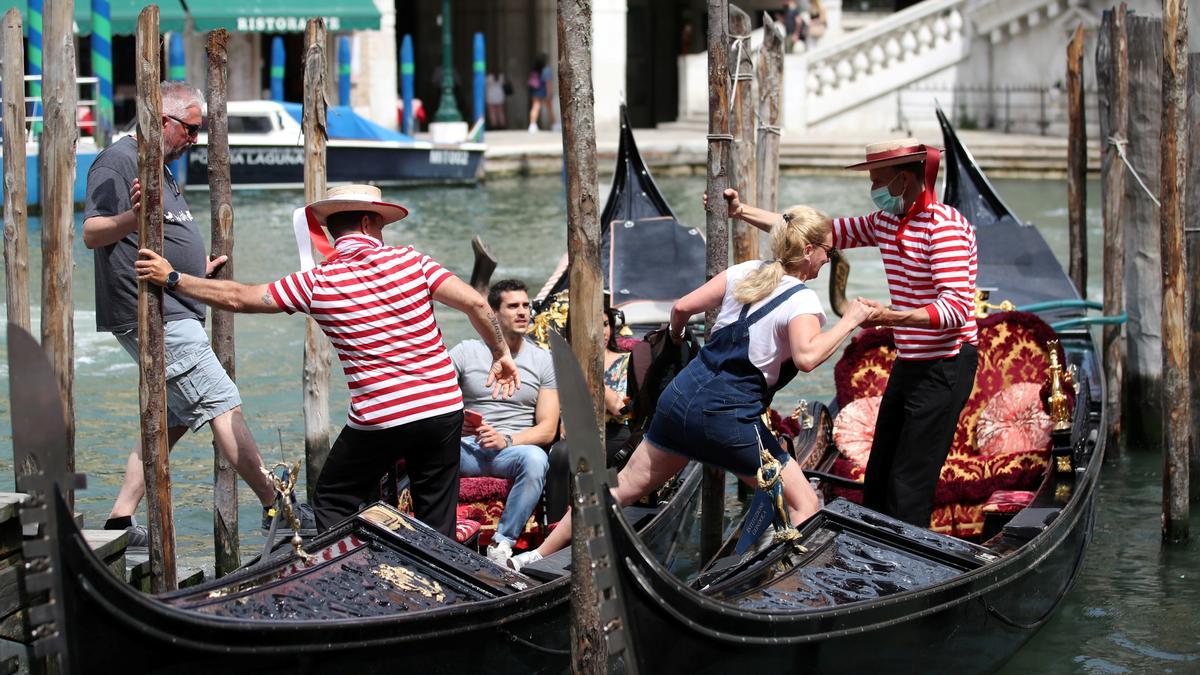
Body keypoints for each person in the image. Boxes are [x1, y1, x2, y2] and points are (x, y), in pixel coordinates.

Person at [133, 184, 520, 538]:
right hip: (441, 409)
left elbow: (239, 297)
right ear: (368, 224)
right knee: (437, 514)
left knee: (333, 497)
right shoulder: (412, 261)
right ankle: (443, 589)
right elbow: (474, 302)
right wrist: (501, 353)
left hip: (380, 419)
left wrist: (173, 279)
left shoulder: (317, 282)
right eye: (381, 226)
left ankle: (355, 575)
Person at [513, 206, 876, 570]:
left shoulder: (745, 271)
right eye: (829, 253)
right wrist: (852, 320)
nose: (829, 261)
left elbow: (682, 308)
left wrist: (676, 337)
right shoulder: (802, 301)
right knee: (804, 504)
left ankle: (534, 556)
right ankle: (794, 592)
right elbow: (807, 357)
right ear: (809, 250)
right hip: (730, 418)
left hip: (680, 401)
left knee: (619, 488)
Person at [717, 138, 979, 528]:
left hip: (946, 364)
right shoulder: (886, 222)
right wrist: (741, 213)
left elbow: (956, 309)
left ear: (903, 180)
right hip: (910, 361)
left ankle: (905, 573)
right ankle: (873, 558)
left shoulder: (945, 230)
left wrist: (888, 318)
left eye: (877, 180)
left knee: (909, 481)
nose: (872, 190)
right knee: (879, 474)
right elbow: (808, 234)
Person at [82, 80, 301, 546]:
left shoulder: (160, 164)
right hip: (153, 311)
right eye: (190, 129)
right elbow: (94, 232)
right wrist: (133, 220)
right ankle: (277, 507)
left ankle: (119, 520)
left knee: (171, 420)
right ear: (162, 120)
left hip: (178, 303)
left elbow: (164, 229)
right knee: (224, 402)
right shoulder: (118, 160)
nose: (195, 139)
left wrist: (193, 266)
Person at [452, 280, 558, 565]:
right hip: (466, 450)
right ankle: (433, 533)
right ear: (494, 314)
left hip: (513, 453)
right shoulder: (465, 352)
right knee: (427, 443)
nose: (523, 312)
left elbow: (547, 429)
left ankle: (502, 544)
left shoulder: (543, 360)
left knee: (536, 459)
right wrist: (454, 421)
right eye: (513, 306)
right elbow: (432, 396)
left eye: (526, 305)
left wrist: (507, 440)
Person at [527, 54, 555, 132]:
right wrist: (549, 93)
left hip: (536, 90)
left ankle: (532, 125)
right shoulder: (546, 69)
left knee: (535, 108)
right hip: (544, 91)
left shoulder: (534, 68)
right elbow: (548, 82)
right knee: (550, 109)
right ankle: (554, 125)